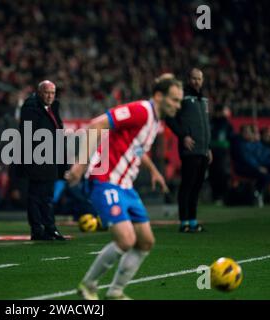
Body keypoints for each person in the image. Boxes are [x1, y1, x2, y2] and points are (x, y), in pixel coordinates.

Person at [65, 76, 181, 300]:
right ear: (159, 96)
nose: (178, 105)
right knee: (126, 240)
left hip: (125, 187)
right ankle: (88, 285)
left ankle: (116, 291)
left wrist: (154, 171)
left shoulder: (156, 121)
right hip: (105, 180)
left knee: (146, 241)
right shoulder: (141, 110)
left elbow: (136, 148)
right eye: (175, 100)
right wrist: (80, 165)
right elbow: (96, 124)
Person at [18, 80, 66, 240]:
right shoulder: (31, 108)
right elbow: (27, 135)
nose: (50, 96)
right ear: (39, 93)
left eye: (52, 93)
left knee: (46, 197)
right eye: (47, 92)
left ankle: (49, 228)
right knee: (36, 196)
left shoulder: (52, 108)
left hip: (50, 159)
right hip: (37, 159)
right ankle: (38, 229)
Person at [165, 68, 211, 233]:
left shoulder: (203, 99)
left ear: (202, 80)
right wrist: (183, 136)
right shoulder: (182, 96)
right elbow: (169, 117)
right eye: (193, 78)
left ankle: (193, 221)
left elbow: (206, 125)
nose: (196, 81)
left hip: (203, 150)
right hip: (190, 149)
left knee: (197, 186)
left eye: (199, 79)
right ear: (188, 79)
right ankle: (183, 222)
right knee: (187, 185)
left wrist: (208, 147)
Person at [209, 104, 234, 204]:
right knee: (213, 175)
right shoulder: (211, 123)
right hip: (212, 153)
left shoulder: (226, 124)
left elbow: (231, 138)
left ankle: (223, 196)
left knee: (223, 174)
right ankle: (216, 196)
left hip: (223, 154)